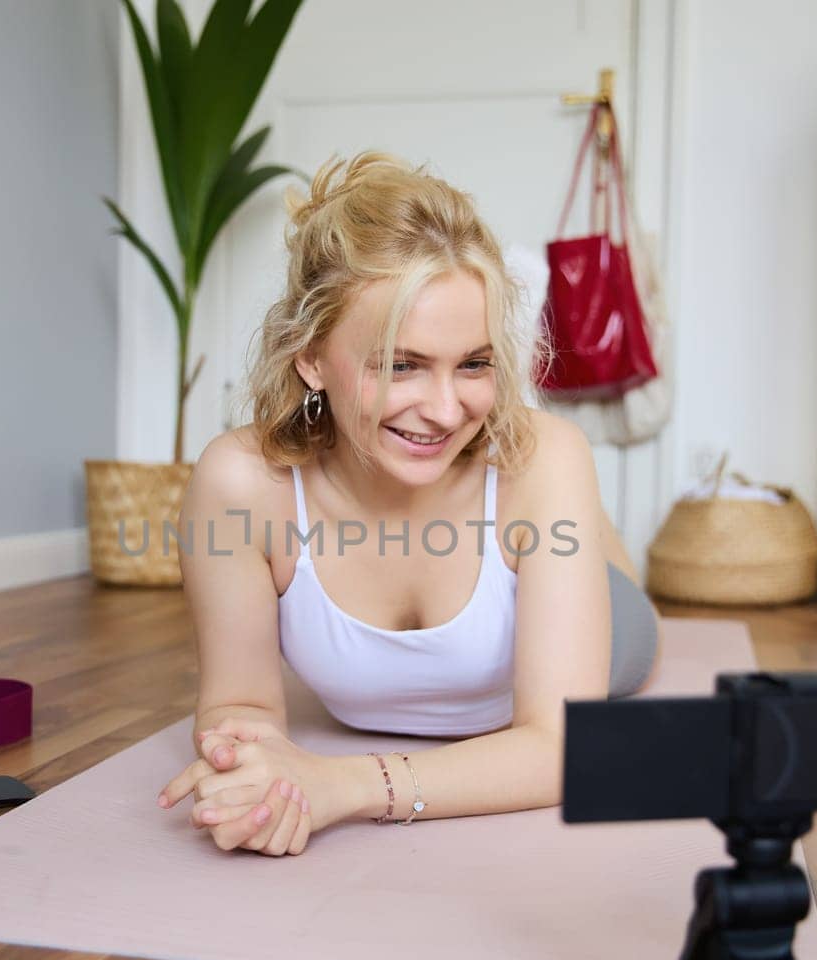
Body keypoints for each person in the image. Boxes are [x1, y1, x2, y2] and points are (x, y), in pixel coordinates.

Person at [156, 151, 662, 856]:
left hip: (592, 596)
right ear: (310, 356)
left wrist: (348, 785)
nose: (447, 408)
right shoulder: (242, 483)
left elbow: (560, 746)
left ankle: (588, 530)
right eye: (402, 364)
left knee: (620, 608)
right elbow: (240, 708)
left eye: (475, 363)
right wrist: (259, 781)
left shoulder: (544, 459)